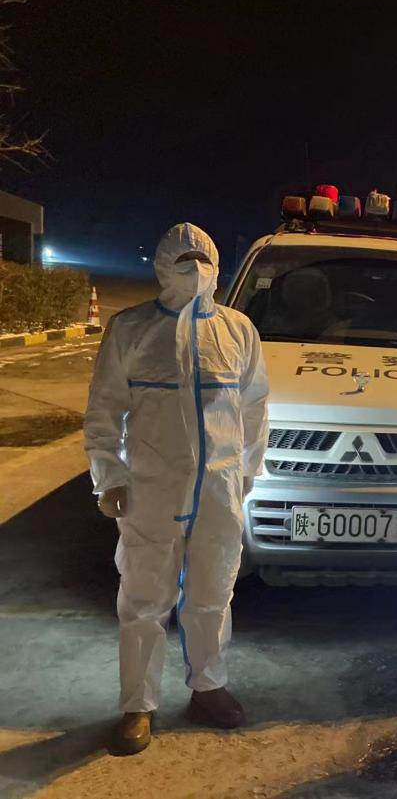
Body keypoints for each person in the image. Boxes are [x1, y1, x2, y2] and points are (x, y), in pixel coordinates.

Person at [84, 223, 269, 756]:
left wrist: (247, 472)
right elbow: (103, 410)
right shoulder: (131, 329)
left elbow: (255, 407)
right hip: (151, 488)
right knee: (144, 598)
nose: (193, 269)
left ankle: (208, 688)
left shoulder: (238, 331)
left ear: (215, 265)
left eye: (201, 259)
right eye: (183, 259)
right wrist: (109, 476)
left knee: (214, 591)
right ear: (162, 265)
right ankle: (137, 705)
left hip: (218, 489)